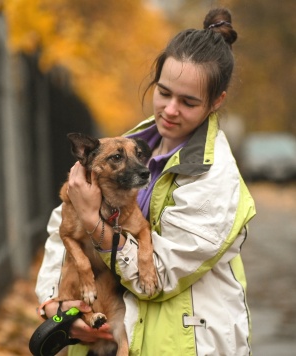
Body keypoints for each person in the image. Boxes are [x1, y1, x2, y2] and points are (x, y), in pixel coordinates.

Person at [35, 7, 256, 356]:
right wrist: (54, 303)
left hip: (182, 345)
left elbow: (157, 279)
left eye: (188, 102)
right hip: (107, 336)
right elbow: (61, 226)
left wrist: (94, 222)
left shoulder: (215, 181)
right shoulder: (128, 146)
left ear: (216, 102)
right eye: (164, 92)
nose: (169, 109)